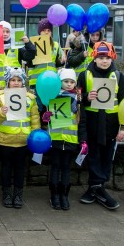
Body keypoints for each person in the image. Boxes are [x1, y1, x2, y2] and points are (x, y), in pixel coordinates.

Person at [77, 41, 124, 210]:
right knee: (93, 156)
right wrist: (86, 97)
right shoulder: (84, 75)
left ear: (112, 57)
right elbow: (77, 100)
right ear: (94, 58)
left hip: (111, 124)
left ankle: (96, 189)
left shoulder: (119, 76)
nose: (104, 61)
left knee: (106, 157)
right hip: (91, 123)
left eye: (107, 57)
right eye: (101, 57)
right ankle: (99, 190)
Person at [0, 67, 40, 208]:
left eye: (19, 80)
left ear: (23, 82)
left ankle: (18, 194)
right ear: (7, 81)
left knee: (20, 169)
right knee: (6, 168)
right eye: (13, 80)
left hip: (23, 141)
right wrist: (1, 112)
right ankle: (6, 193)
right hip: (5, 140)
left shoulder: (30, 98)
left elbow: (34, 119)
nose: (16, 83)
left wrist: (35, 138)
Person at [42, 68, 83, 211]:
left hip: (71, 140)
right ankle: (54, 195)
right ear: (60, 82)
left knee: (66, 168)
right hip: (56, 139)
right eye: (66, 81)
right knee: (55, 167)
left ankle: (64, 195)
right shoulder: (53, 97)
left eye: (72, 82)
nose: (69, 84)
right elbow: (46, 118)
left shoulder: (78, 100)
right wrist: (46, 116)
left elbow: (80, 121)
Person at [0, 20, 36, 93]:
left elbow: (29, 56)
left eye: (7, 31)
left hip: (14, 87)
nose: (5, 34)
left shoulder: (17, 47)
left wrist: (28, 43)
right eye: (2, 31)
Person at [24, 19, 65, 90]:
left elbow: (56, 63)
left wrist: (62, 62)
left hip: (51, 80)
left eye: (48, 31)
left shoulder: (56, 45)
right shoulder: (32, 44)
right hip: (36, 80)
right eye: (44, 30)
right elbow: (28, 63)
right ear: (39, 32)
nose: (46, 32)